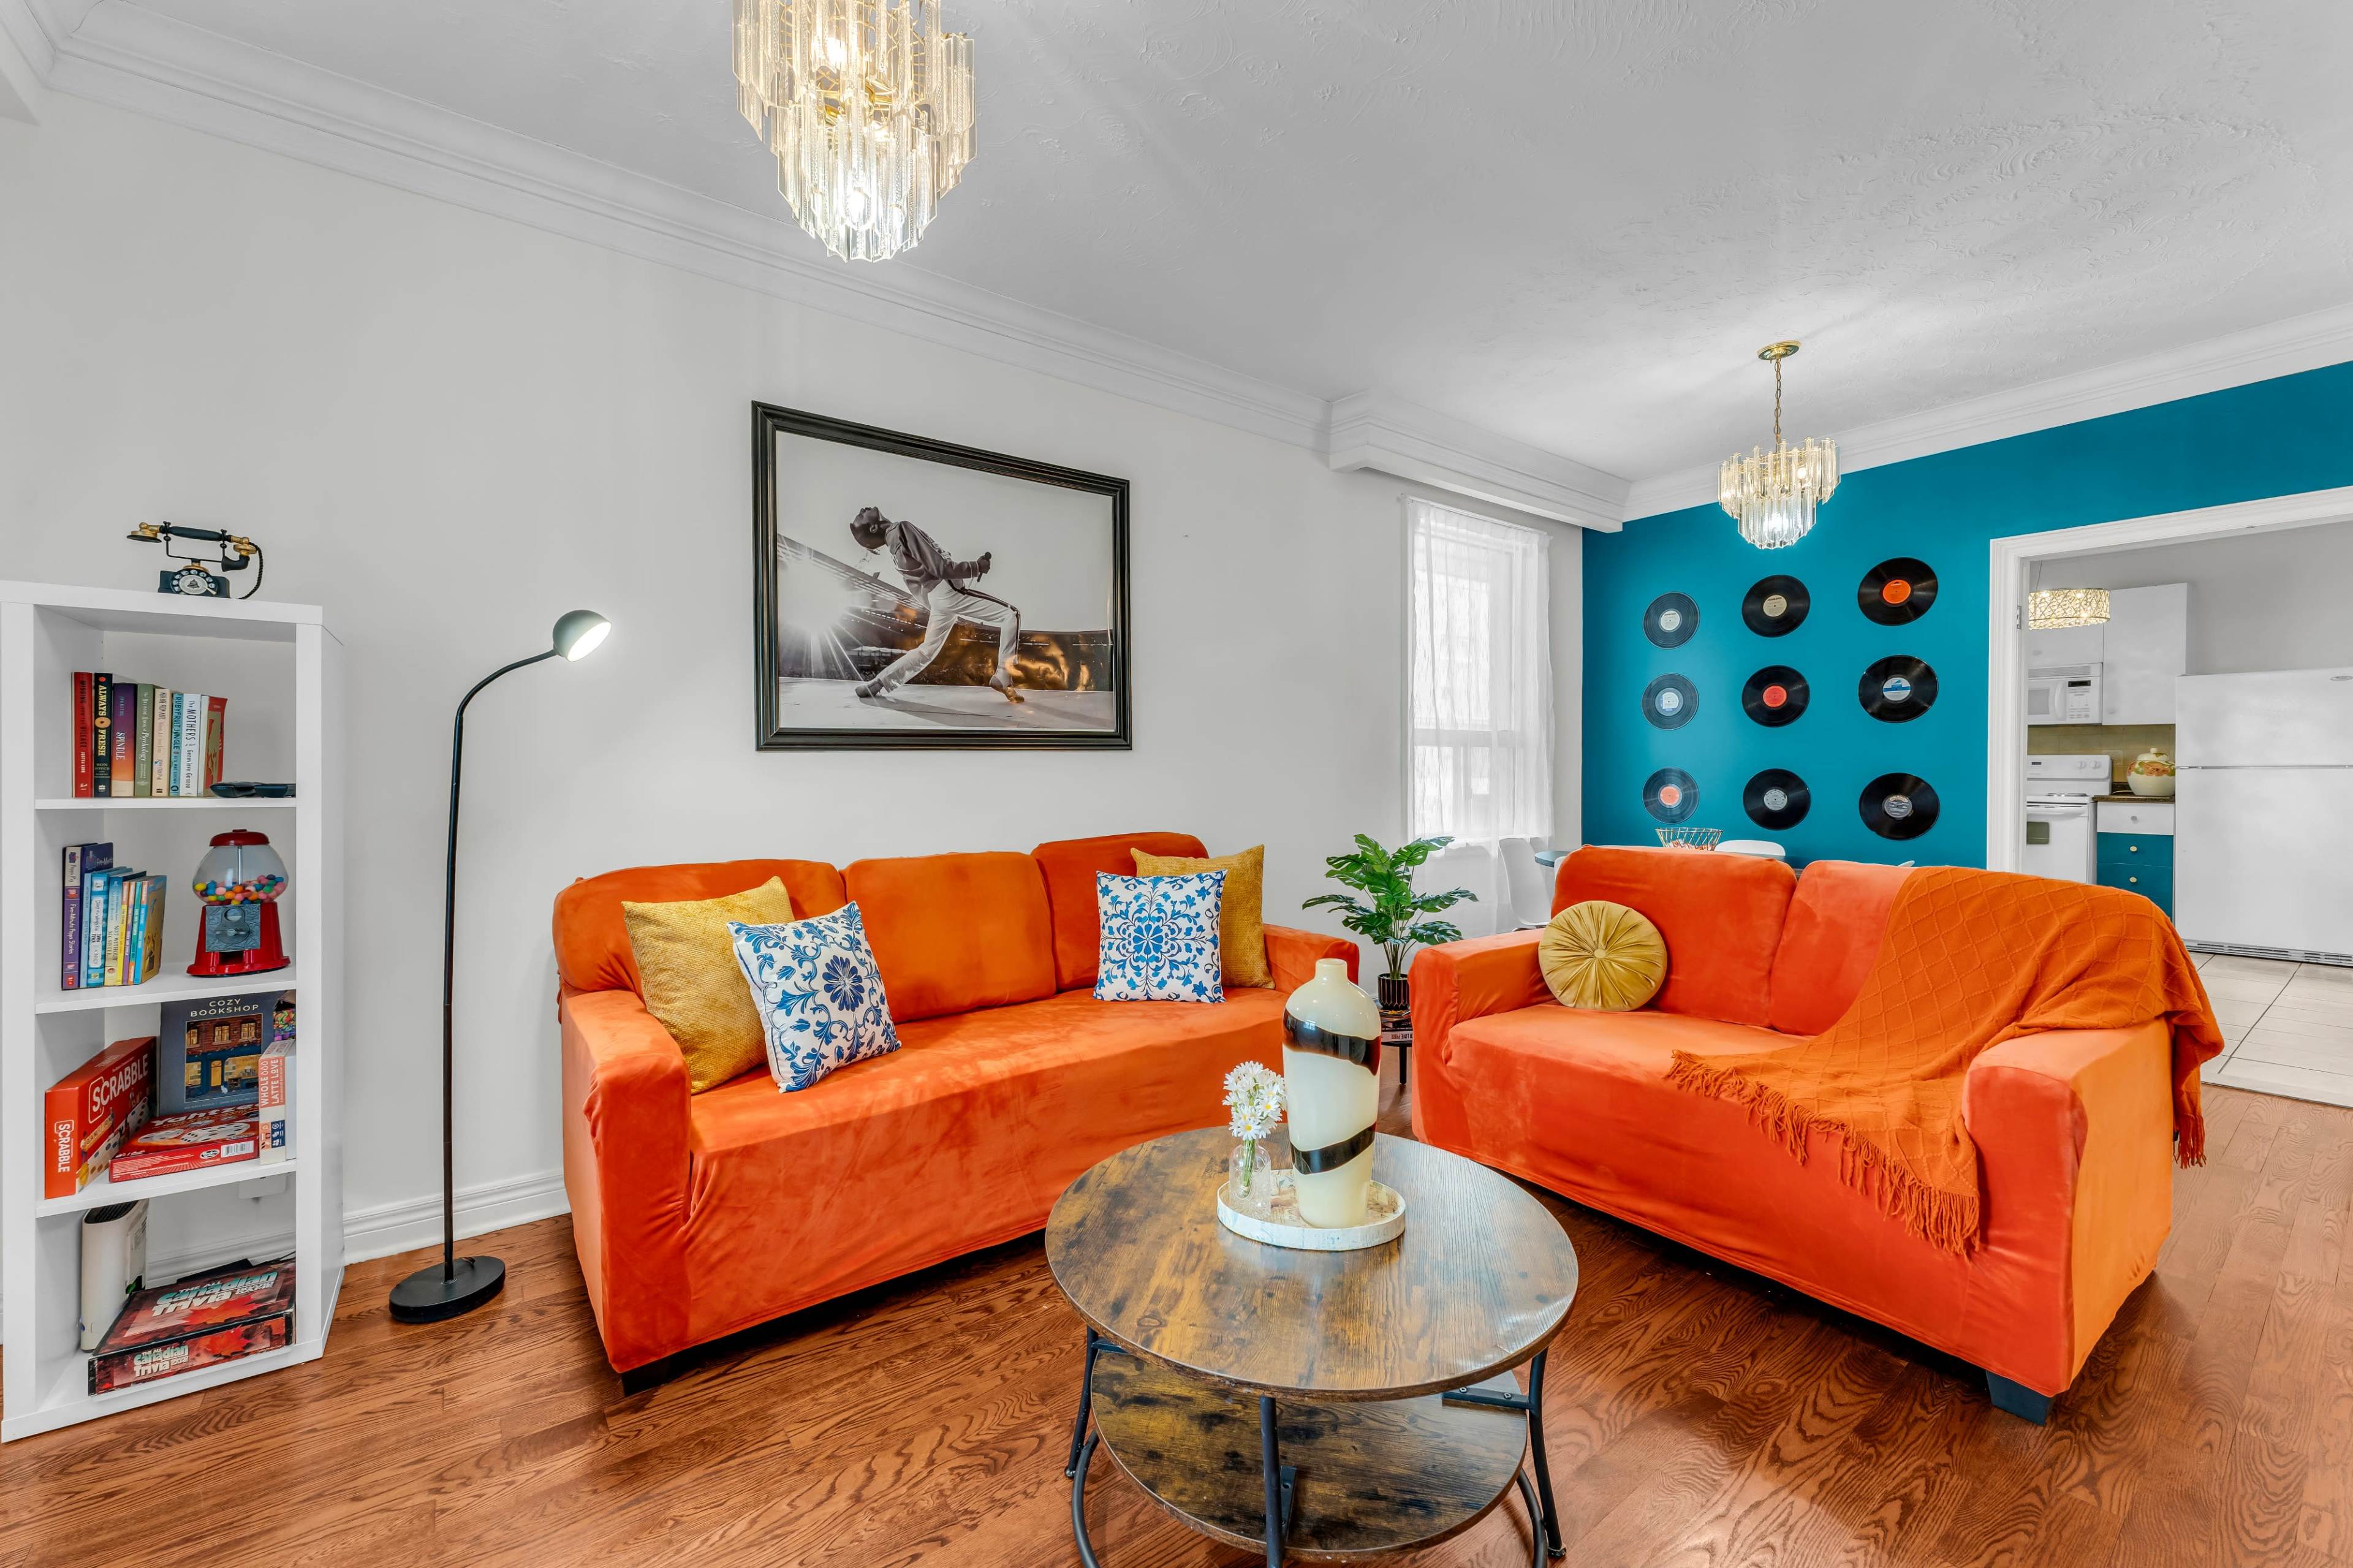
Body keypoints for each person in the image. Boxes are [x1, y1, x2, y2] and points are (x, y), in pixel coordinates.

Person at [847, 506, 1025, 703]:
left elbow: (921, 580)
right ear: (873, 528)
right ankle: (1003, 675)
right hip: (946, 590)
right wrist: (976, 567)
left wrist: (939, 599)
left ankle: (878, 683)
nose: (863, 510)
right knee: (1010, 615)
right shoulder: (901, 529)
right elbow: (940, 567)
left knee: (926, 651)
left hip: (936, 597)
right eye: (861, 515)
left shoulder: (893, 544)